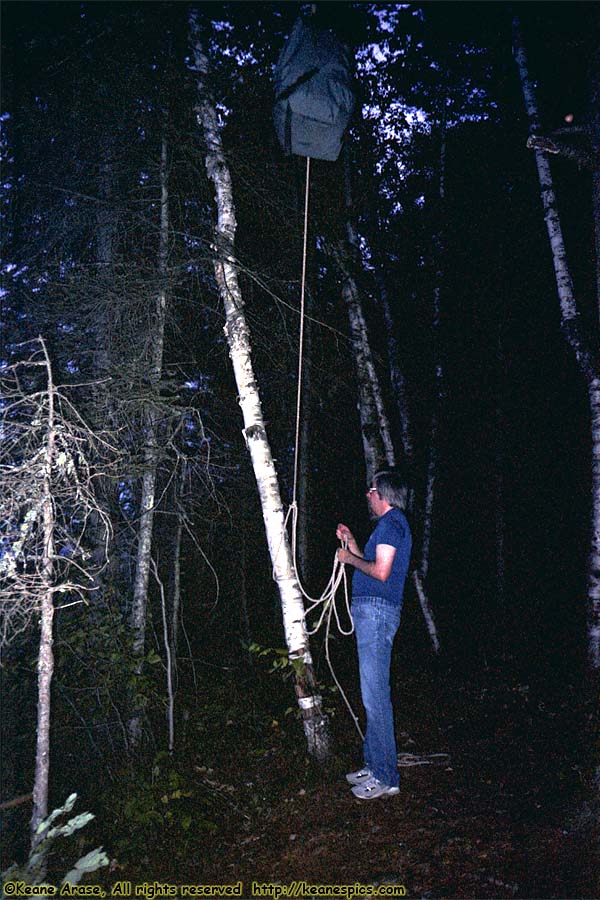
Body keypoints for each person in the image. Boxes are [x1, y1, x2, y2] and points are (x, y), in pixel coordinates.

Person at [336, 469, 412, 800]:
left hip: (378, 614)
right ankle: (374, 764)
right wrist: (352, 543)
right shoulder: (389, 527)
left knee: (375, 695)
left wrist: (348, 559)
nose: (368, 495)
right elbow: (375, 563)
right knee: (372, 693)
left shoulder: (392, 525)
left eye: (371, 490)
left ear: (382, 493)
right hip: (373, 613)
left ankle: (385, 777)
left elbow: (380, 572)